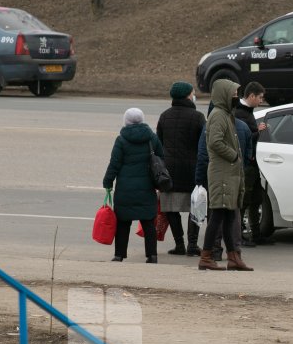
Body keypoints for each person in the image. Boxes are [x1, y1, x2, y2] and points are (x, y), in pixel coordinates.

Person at [198, 79, 253, 271]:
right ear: (224, 95)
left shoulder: (226, 114)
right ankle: (206, 257)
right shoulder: (218, 115)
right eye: (234, 94)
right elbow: (214, 142)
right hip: (222, 174)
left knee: (229, 215)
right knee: (218, 216)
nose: (237, 97)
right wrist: (234, 155)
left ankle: (233, 258)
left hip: (229, 174)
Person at [103, 108, 163, 264]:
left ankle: (119, 255)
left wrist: (107, 182)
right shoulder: (152, 139)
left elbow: (114, 164)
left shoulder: (121, 140)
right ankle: (152, 255)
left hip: (125, 188)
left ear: (126, 120)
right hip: (147, 186)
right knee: (148, 222)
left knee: (123, 222)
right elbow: (161, 159)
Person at [156, 81, 206, 257]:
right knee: (196, 208)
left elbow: (158, 144)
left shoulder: (164, 116)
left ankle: (179, 244)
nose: (194, 95)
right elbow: (204, 145)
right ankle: (193, 245)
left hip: (169, 172)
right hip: (193, 170)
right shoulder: (198, 117)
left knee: (171, 209)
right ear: (187, 95)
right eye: (193, 92)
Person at [234, 82, 273, 247]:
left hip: (253, 164)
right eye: (260, 98)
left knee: (256, 198)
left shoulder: (247, 112)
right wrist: (259, 131)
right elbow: (245, 139)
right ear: (251, 96)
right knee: (244, 200)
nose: (261, 101)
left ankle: (256, 234)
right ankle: (239, 236)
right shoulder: (240, 113)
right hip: (247, 165)